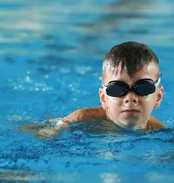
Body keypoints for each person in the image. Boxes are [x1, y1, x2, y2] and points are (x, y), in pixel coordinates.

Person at [20, 41, 165, 138]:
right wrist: (54, 130)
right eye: (117, 89)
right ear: (103, 98)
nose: (130, 98)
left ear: (157, 97)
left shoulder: (161, 132)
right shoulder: (83, 118)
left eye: (144, 87)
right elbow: (25, 129)